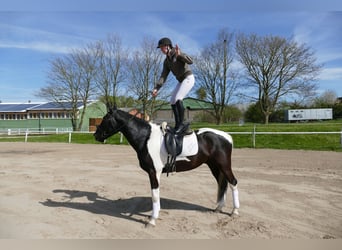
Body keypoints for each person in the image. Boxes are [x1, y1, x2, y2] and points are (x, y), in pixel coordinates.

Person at [152, 37, 195, 135]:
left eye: (162, 47)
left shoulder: (176, 52)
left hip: (188, 78)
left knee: (178, 98)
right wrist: (156, 88)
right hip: (181, 81)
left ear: (167, 46)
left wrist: (181, 55)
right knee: (172, 100)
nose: (161, 50)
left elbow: (191, 61)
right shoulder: (166, 62)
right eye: (160, 48)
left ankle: (183, 124)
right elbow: (163, 76)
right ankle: (178, 125)